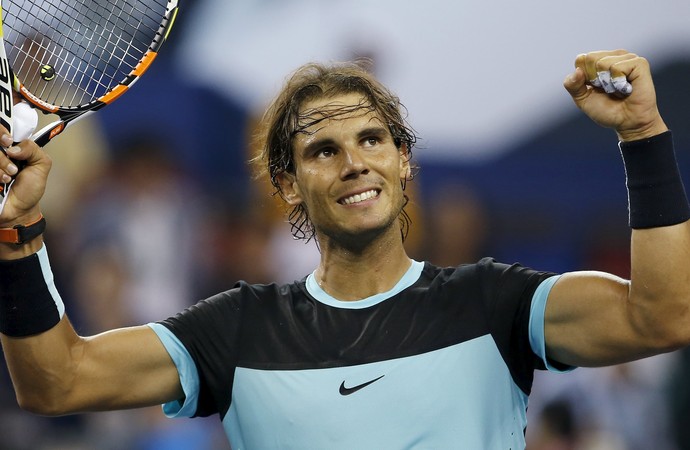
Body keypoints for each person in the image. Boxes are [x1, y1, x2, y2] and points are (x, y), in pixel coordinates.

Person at [0, 49, 689, 449]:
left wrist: (645, 133)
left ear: (403, 161)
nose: (355, 163)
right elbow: (57, 382)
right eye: (323, 150)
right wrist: (16, 233)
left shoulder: (494, 302)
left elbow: (661, 317)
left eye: (372, 140)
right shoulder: (236, 329)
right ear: (288, 186)